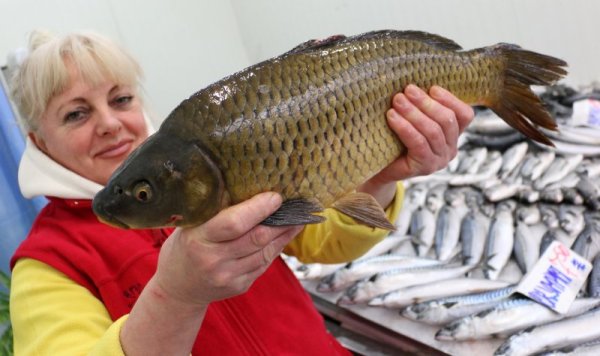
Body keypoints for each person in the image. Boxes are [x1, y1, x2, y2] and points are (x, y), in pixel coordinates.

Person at [8, 30, 474, 355]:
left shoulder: (196, 166)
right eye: (76, 114)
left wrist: (379, 175)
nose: (110, 124)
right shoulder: (47, 266)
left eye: (120, 99)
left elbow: (321, 241)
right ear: (39, 143)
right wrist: (176, 296)